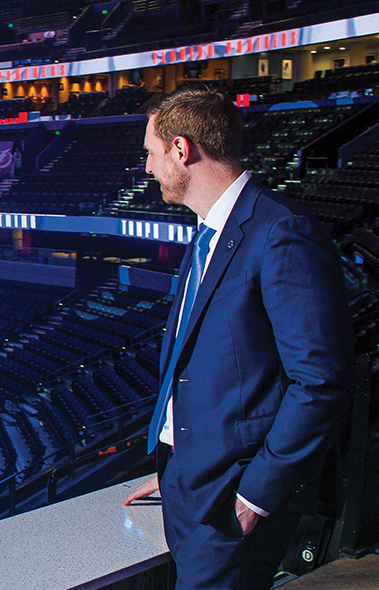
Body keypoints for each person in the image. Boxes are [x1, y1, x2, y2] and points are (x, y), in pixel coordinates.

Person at [123, 87, 354, 590]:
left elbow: (320, 382)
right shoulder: (209, 231)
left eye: (151, 152)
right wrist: (174, 463)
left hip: (232, 497)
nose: (148, 168)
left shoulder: (280, 232)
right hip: (193, 481)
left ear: (181, 150)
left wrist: (256, 495)